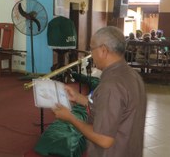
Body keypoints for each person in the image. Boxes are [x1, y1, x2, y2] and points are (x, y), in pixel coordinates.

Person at [52, 26, 147, 157]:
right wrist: (79, 98)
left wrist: (70, 118)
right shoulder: (131, 74)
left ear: (103, 50)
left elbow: (104, 139)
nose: (91, 54)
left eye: (92, 48)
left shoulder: (111, 85)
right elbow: (113, 108)